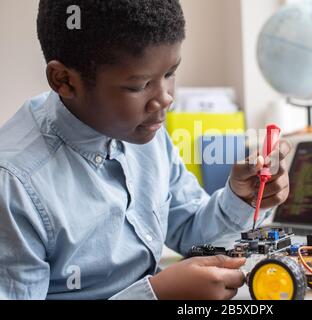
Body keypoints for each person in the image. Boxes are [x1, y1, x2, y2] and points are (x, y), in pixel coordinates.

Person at [0, 0, 291, 300]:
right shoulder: (13, 184)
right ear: (64, 80)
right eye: (139, 85)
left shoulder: (144, 131)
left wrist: (241, 197)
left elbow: (192, 231)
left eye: (170, 73)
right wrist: (157, 295)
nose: (164, 100)